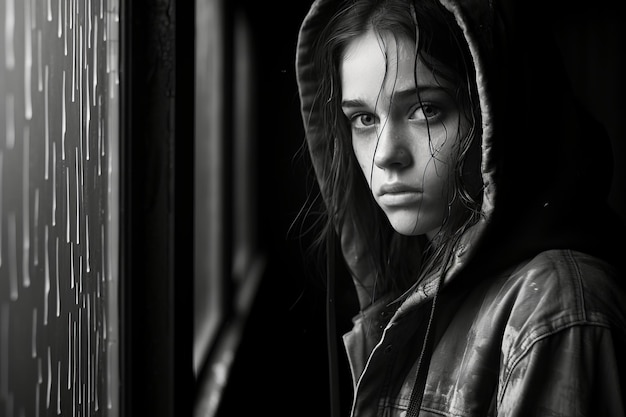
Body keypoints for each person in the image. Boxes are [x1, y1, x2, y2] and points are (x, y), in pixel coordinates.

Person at [294, 0, 626, 416]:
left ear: (496, 114)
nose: (385, 155)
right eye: (363, 119)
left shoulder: (555, 306)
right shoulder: (418, 291)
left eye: (425, 110)